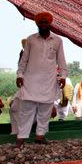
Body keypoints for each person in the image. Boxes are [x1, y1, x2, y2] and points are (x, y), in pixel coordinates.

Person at [15, 12, 67, 144]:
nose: (43, 24)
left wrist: (63, 76)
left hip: (48, 81)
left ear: (50, 24)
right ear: (37, 23)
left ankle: (40, 135)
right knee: (26, 110)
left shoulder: (58, 40)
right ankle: (21, 137)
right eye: (41, 22)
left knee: (45, 110)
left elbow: (61, 61)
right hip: (30, 81)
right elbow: (23, 61)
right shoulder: (31, 39)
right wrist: (20, 75)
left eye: (46, 22)